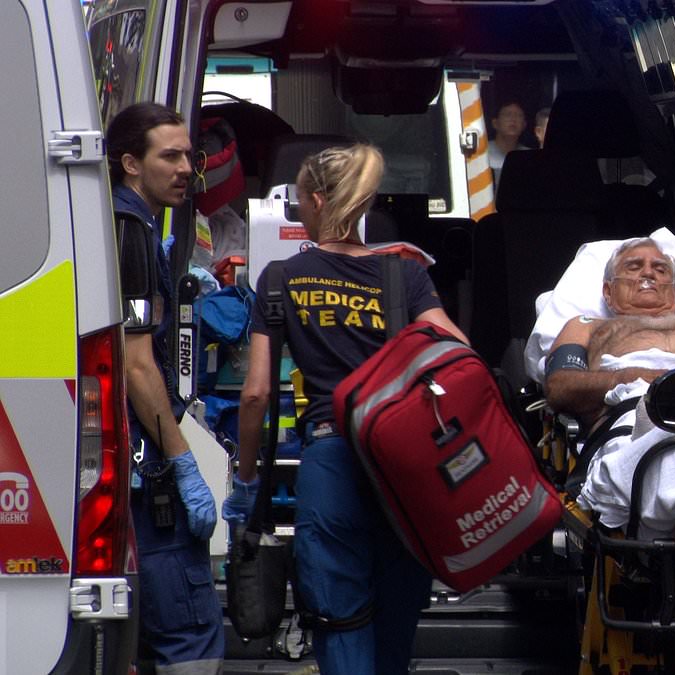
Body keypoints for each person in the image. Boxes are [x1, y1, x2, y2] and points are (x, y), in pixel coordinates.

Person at [223, 144, 468, 674]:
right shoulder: (404, 275)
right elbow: (459, 354)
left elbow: (257, 394)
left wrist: (245, 484)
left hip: (332, 456)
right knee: (397, 611)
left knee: (338, 615)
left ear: (314, 199)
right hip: (402, 464)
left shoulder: (282, 277)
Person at [106, 102, 224, 673]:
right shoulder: (128, 229)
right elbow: (135, 365)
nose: (186, 169)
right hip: (150, 465)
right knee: (189, 631)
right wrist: (182, 463)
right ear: (131, 163)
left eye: (189, 156)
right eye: (169, 156)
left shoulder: (137, 226)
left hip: (139, 457)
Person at [544, 238, 675, 424]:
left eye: (660, 270)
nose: (648, 273)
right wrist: (626, 378)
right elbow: (559, 387)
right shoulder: (586, 326)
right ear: (608, 292)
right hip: (633, 420)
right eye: (634, 267)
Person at [488, 100, 530, 188]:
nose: (513, 120)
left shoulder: (531, 156)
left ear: (524, 125)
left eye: (519, 115)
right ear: (495, 123)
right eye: (508, 114)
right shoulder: (481, 153)